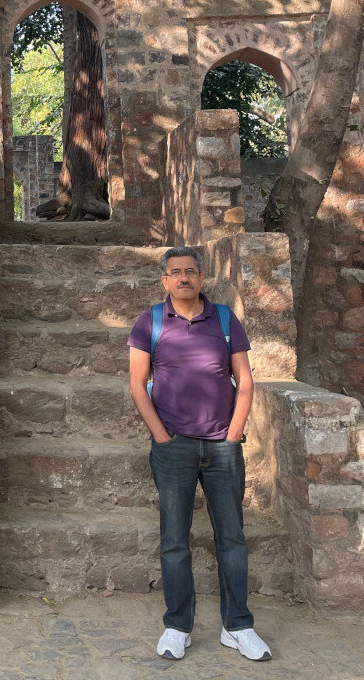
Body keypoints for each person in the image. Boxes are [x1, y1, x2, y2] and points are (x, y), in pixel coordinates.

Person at [127, 246, 272, 662]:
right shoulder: (150, 321)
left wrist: (233, 434)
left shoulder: (224, 319)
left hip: (223, 448)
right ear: (165, 280)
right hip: (174, 447)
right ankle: (178, 626)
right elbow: (139, 384)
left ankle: (238, 626)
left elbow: (244, 380)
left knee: (232, 539)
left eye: (191, 271)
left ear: (201, 277)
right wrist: (162, 437)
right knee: (175, 540)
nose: (184, 278)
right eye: (176, 273)